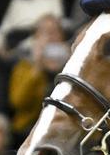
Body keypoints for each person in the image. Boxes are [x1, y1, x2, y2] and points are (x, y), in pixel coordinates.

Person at [7, 14, 69, 145]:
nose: (50, 37)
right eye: (44, 32)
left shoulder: (72, 62)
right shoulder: (25, 65)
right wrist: (37, 67)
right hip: (28, 128)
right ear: (36, 38)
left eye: (55, 31)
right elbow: (18, 102)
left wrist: (65, 65)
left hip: (63, 128)